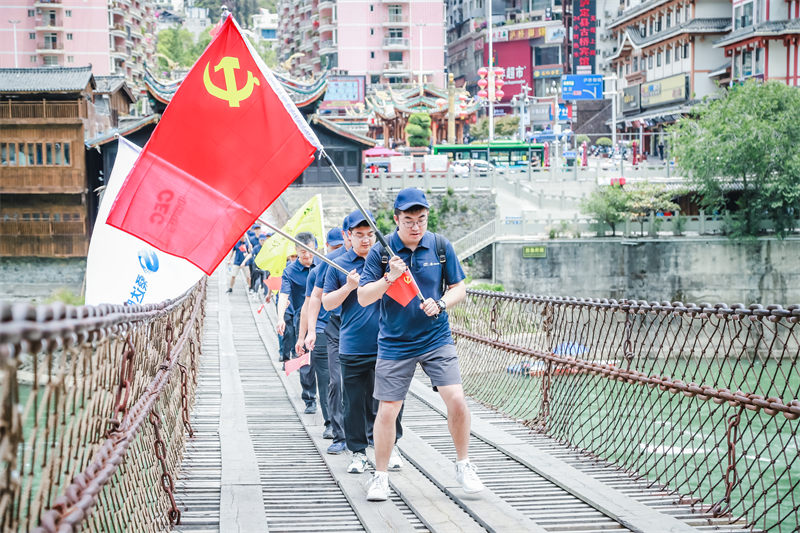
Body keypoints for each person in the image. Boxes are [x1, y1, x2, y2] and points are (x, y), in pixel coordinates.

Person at [357, 188, 484, 501]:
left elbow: (459, 288)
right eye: (409, 220)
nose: (416, 226)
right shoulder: (382, 252)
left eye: (421, 219)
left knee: (456, 399)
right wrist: (389, 278)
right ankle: (381, 476)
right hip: (394, 341)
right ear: (397, 219)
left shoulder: (440, 246)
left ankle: (464, 465)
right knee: (387, 410)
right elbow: (363, 297)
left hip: (435, 336)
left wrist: (440, 303)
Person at [323, 210, 403, 475]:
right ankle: (357, 452)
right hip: (353, 343)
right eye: (359, 235)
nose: (366, 240)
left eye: (370, 234)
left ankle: (391, 447)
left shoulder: (389, 259)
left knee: (389, 400)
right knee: (354, 402)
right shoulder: (337, 263)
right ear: (348, 236)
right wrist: (348, 287)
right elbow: (326, 303)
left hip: (388, 343)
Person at [307, 218, 352, 455]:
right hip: (335, 327)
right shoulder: (331, 261)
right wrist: (311, 330)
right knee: (336, 381)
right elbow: (315, 297)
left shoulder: (377, 258)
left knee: (368, 384)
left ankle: (369, 433)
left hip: (367, 329)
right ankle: (339, 434)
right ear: (348, 235)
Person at [277, 232, 318, 414]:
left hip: (324, 319)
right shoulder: (290, 272)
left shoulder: (325, 265)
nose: (307, 256)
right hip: (300, 320)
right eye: (303, 252)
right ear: (296, 251)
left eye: (310, 251)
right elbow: (283, 296)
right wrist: (280, 317)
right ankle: (309, 398)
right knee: (304, 359)